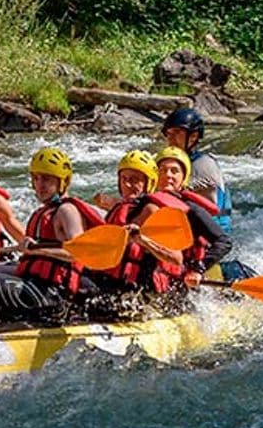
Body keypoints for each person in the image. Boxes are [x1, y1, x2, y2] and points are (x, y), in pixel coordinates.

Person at [0, 147, 106, 325]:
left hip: (51, 297)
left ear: (63, 181)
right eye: (36, 178)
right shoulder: (44, 211)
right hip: (35, 284)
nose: (40, 185)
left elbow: (78, 253)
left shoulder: (67, 211)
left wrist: (40, 250)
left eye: (46, 179)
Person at [99, 149, 188, 297]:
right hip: (115, 281)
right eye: (124, 178)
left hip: (143, 290)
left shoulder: (154, 211)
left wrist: (142, 240)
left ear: (149, 183)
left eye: (134, 179)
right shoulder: (119, 208)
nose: (127, 184)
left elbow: (176, 259)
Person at [154, 146, 235, 288]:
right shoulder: (146, 205)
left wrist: (198, 269)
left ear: (183, 178)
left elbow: (224, 242)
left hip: (187, 279)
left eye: (175, 171)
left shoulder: (191, 209)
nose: (168, 175)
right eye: (163, 170)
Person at [162, 107, 233, 232]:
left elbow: (179, 192)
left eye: (177, 133)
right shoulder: (174, 164)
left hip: (212, 234)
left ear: (193, 136)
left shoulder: (204, 164)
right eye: (169, 133)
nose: (171, 138)